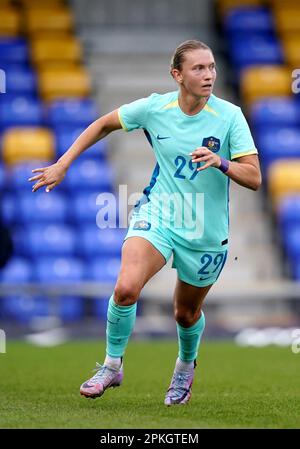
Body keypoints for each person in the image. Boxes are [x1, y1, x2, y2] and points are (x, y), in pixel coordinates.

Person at [29, 40, 261, 406]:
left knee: (185, 314)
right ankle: (111, 364)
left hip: (205, 231)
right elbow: (103, 124)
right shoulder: (156, 108)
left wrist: (222, 162)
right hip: (159, 213)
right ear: (177, 75)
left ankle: (185, 366)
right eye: (198, 68)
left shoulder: (230, 116)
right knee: (126, 288)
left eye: (212, 67)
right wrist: (63, 163)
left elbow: (254, 177)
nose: (209, 75)